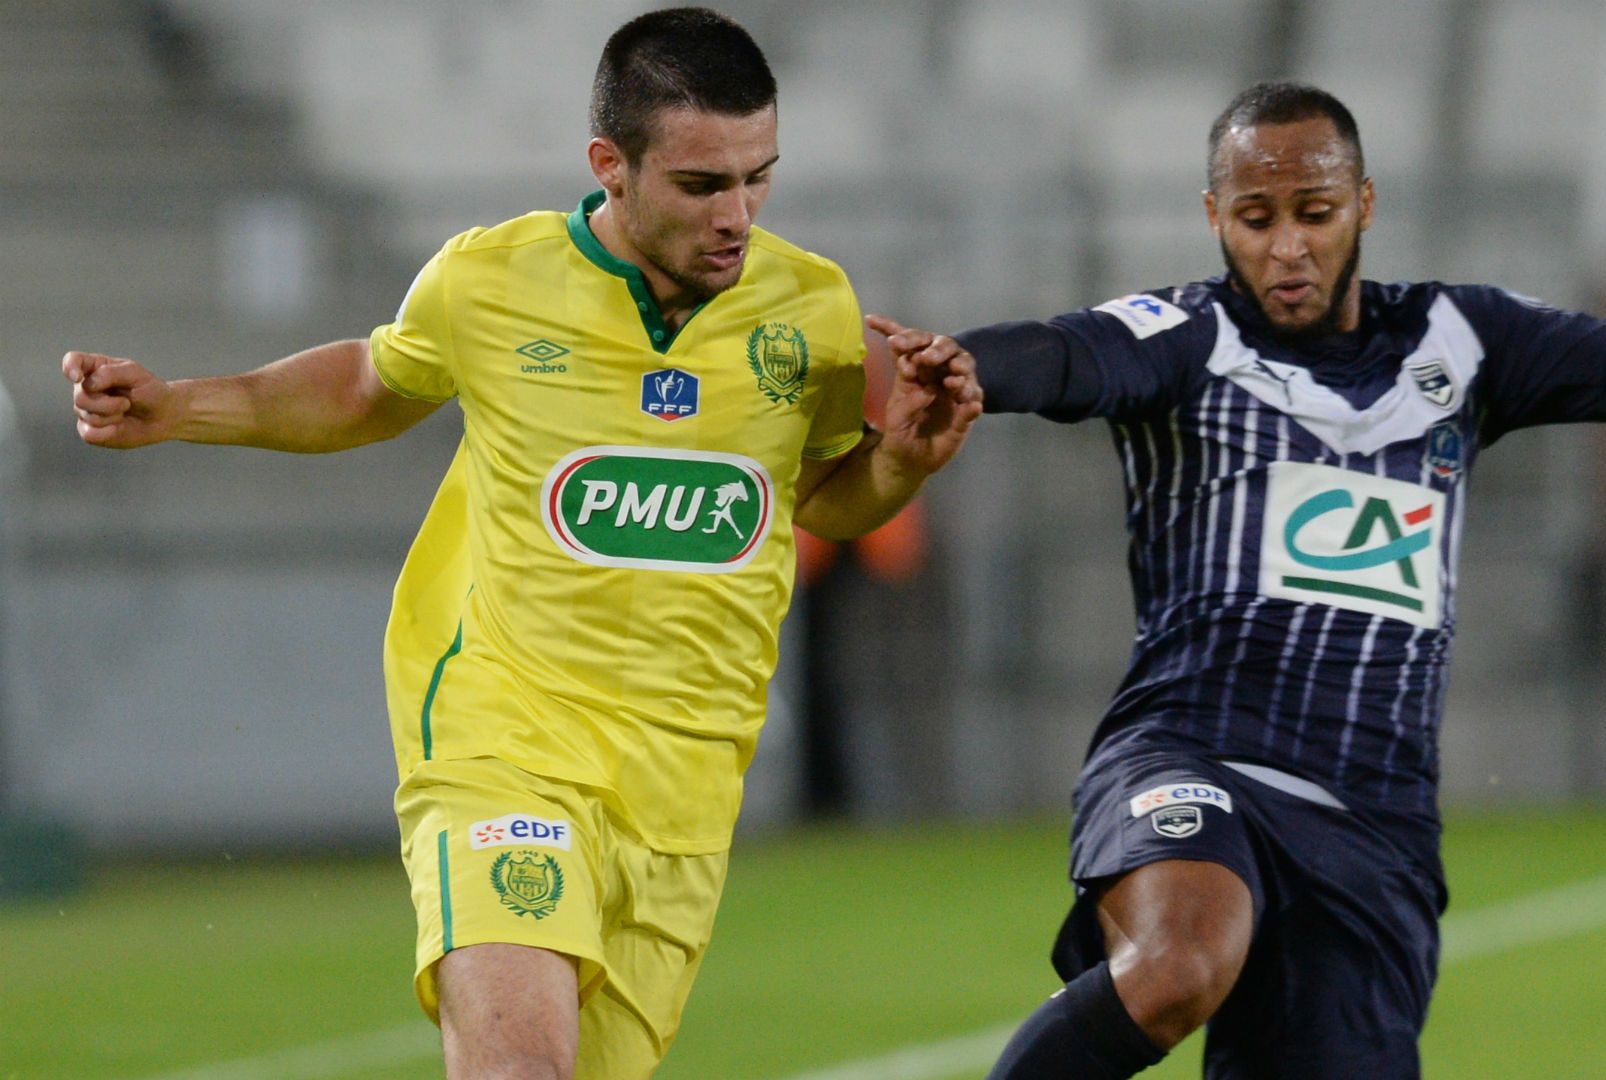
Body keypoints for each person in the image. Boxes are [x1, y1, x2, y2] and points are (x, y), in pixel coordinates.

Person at [874, 81, 1606, 1078]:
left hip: (1371, 815)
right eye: (1256, 218)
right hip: (1192, 751)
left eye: (1314, 213)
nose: (1288, 247)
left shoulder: (1463, 340)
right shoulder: (1185, 338)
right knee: (1178, 965)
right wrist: (968, 365)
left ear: (1363, 204)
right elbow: (1057, 355)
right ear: (1215, 216)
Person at [62, 9, 979, 1079]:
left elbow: (822, 499)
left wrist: (903, 462)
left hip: (685, 784)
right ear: (611, 167)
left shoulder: (812, 305)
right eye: (700, 186)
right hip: (508, 740)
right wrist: (179, 406)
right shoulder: (490, 280)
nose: (737, 215)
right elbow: (369, 385)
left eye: (757, 178)